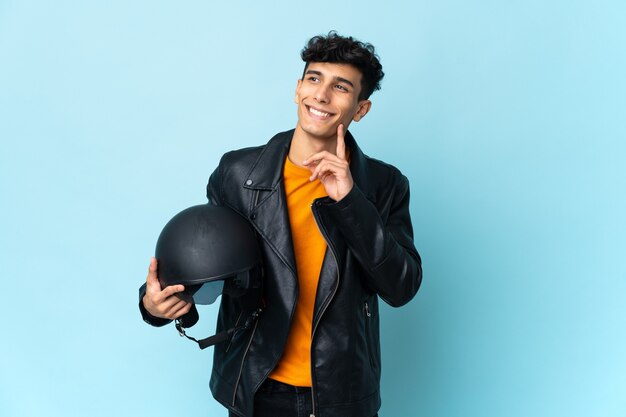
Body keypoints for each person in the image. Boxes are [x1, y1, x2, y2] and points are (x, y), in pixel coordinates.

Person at [139, 31, 422, 417]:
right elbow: (208, 264)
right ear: (297, 89)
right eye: (314, 79)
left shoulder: (384, 185)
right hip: (256, 387)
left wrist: (350, 202)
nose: (321, 96)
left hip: (342, 394)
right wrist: (159, 303)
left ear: (361, 109)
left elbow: (401, 286)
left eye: (341, 87)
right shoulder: (238, 174)